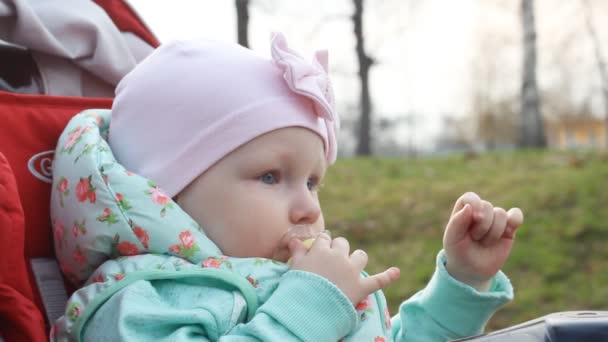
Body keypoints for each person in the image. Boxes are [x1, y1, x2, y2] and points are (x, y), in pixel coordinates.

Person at [49, 32, 523, 341]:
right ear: (164, 193)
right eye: (271, 177)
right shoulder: (138, 303)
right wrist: (312, 306)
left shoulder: (294, 285)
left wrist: (461, 283)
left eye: (314, 182)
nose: (307, 208)